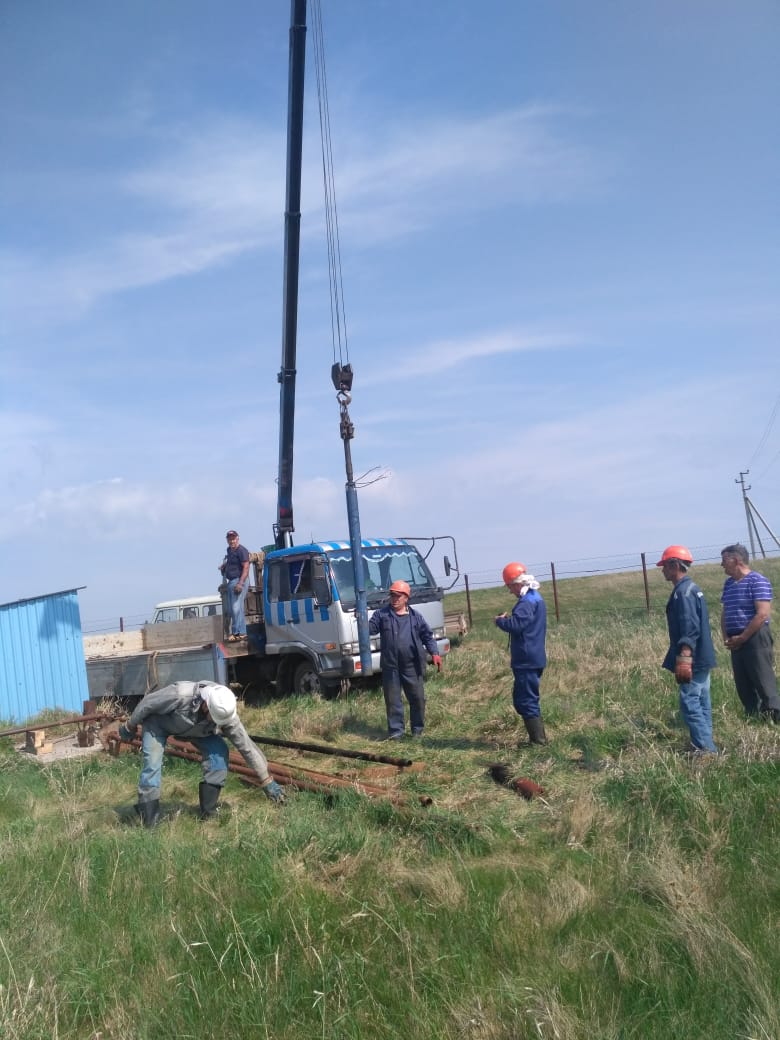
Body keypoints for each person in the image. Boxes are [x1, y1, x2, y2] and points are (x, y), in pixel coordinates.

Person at [115, 681, 285, 826]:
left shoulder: (226, 714)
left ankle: (208, 813)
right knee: (152, 765)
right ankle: (149, 819)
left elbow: (247, 747)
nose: (220, 724)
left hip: (196, 732)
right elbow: (147, 703)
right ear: (205, 705)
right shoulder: (180, 695)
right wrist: (130, 726)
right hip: (158, 726)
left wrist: (266, 780)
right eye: (215, 718)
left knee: (219, 752)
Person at [657, 545, 718, 754]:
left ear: (675, 565)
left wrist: (684, 656)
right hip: (702, 655)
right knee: (702, 700)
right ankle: (705, 744)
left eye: (665, 565)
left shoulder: (683, 593)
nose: (662, 570)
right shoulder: (692, 588)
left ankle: (706, 749)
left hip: (693, 657)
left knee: (690, 702)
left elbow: (689, 626)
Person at [368, 579, 442, 739]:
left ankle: (417, 731)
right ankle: (396, 733)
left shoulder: (416, 617)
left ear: (406, 598)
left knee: (418, 698)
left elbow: (427, 636)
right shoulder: (381, 615)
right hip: (391, 666)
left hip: (412, 665)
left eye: (398, 596)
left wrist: (435, 653)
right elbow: (370, 629)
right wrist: (361, 618)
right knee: (393, 700)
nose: (394, 599)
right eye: (392, 596)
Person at [719, 543, 780, 722]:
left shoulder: (757, 581)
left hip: (755, 637)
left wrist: (743, 637)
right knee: (743, 682)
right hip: (735, 639)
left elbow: (762, 614)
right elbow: (725, 611)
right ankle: (753, 715)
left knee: (762, 678)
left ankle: (774, 716)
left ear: (736, 560)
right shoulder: (729, 584)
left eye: (724, 560)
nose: (722, 564)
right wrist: (726, 636)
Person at [494, 562, 548, 745]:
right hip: (533, 656)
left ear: (516, 583)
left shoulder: (526, 602)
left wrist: (500, 621)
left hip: (526, 659)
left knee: (526, 700)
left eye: (509, 587)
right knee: (523, 699)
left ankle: (538, 743)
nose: (510, 591)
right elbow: (524, 623)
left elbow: (517, 625)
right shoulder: (535, 597)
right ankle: (537, 740)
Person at [220, 529, 250, 641]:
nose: (231, 541)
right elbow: (231, 562)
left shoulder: (242, 550)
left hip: (239, 580)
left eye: (233, 539)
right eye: (229, 539)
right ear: (227, 540)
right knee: (236, 608)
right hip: (231, 581)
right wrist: (225, 566)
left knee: (235, 608)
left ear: (237, 539)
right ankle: (242, 633)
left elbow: (246, 567)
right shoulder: (229, 550)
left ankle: (236, 632)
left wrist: (240, 583)